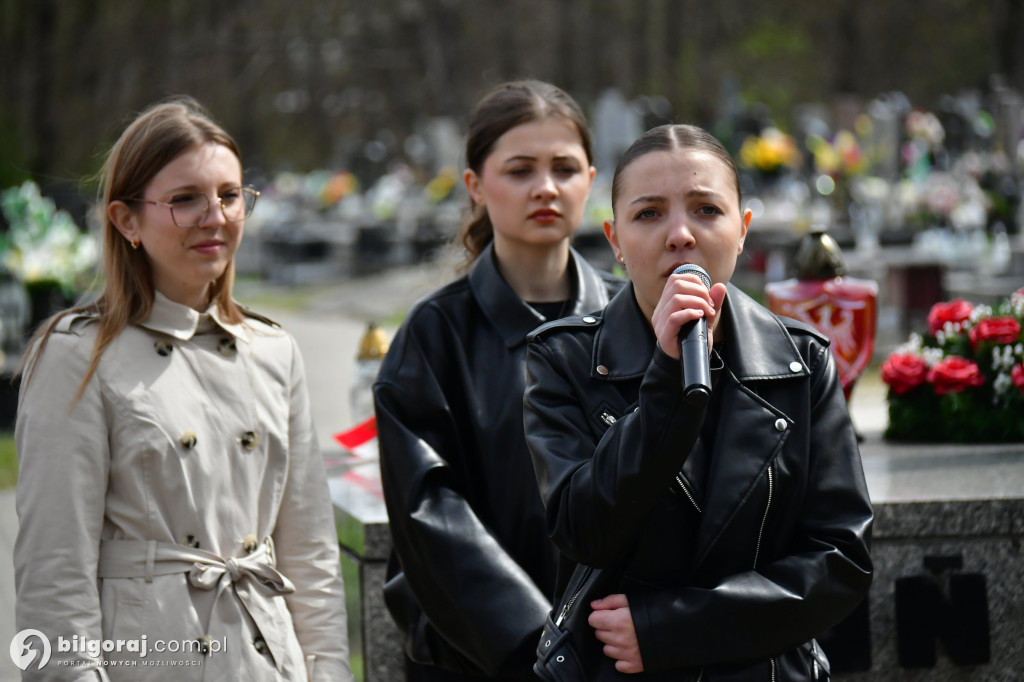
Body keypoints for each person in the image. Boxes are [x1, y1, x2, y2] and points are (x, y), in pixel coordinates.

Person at [13, 97, 353, 681]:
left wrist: (328, 673)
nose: (215, 216)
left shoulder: (273, 352)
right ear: (126, 220)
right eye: (185, 199)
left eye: (229, 195)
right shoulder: (76, 356)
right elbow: (55, 576)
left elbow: (312, 557)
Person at [524, 124, 873, 680]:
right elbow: (582, 529)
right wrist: (666, 381)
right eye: (649, 214)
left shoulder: (802, 363)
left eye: (707, 210)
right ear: (614, 241)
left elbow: (840, 560)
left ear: (743, 230)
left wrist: (674, 628)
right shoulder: (563, 360)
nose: (680, 235)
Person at [373, 79, 623, 681]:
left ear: (591, 180)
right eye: (520, 170)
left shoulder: (634, 322)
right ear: (476, 186)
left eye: (565, 168)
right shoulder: (434, 336)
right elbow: (430, 512)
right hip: (485, 658)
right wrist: (534, 646)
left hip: (623, 652)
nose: (546, 187)